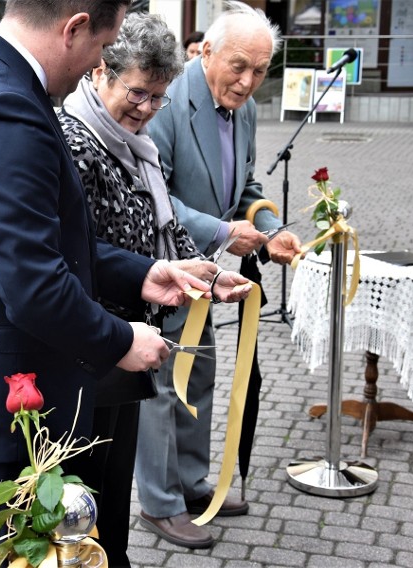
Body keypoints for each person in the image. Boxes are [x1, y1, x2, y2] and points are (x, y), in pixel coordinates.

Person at [0, 2, 216, 566]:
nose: (97, 65)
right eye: (102, 47)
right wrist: (122, 341)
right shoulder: (6, 107)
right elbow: (34, 285)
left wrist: (142, 272)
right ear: (75, 27)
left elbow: (48, 241)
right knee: (18, 554)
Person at [57, 12, 253, 566]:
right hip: (97, 341)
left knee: (112, 504)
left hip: (136, 324)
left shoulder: (133, 144)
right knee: (89, 497)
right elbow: (78, 255)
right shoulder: (76, 141)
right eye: (137, 93)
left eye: (157, 98)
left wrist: (197, 274)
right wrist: (154, 281)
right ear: (101, 72)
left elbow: (151, 233)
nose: (145, 110)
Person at [134, 1, 302, 549]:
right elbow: (153, 196)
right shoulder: (167, 103)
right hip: (161, 265)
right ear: (205, 52)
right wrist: (225, 233)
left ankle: (191, 482)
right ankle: (159, 505)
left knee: (198, 373)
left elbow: (247, 186)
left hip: (205, 267)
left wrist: (271, 226)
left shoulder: (243, 108)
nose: (249, 81)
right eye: (238, 66)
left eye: (260, 70)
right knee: (162, 382)